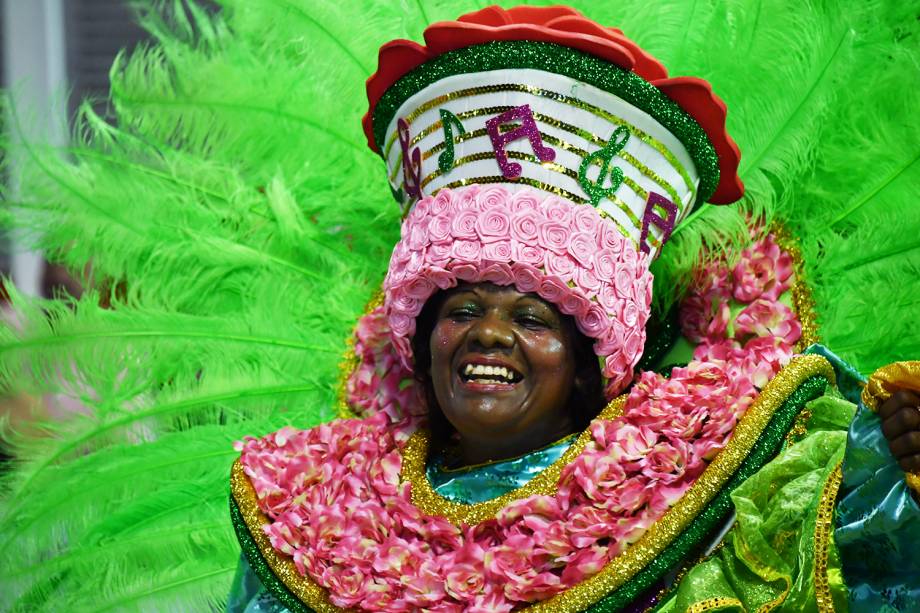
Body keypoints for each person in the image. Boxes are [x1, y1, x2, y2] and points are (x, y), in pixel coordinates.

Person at [1, 1, 918, 612]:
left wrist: (905, 473)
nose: (487, 334)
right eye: (461, 305)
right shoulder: (307, 514)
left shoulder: (710, 478)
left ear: (592, 354)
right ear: (416, 334)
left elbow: (854, 553)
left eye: (531, 315)